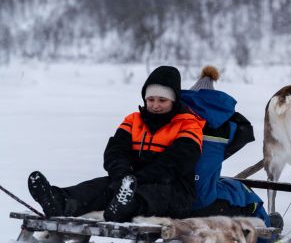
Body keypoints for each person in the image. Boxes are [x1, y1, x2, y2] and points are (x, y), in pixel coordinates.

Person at [27, 66, 204, 222]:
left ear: (174, 101)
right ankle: (59, 201)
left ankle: (124, 208)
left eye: (162, 100)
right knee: (99, 187)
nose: (155, 105)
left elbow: (177, 163)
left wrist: (135, 180)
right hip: (130, 183)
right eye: (151, 99)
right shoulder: (134, 120)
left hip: (176, 190)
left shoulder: (189, 124)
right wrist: (122, 176)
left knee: (150, 196)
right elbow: (116, 151)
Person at [180, 66, 282, 243]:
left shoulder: (173, 121)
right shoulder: (224, 125)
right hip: (204, 201)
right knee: (248, 198)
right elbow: (245, 133)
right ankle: (266, 239)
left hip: (176, 196)